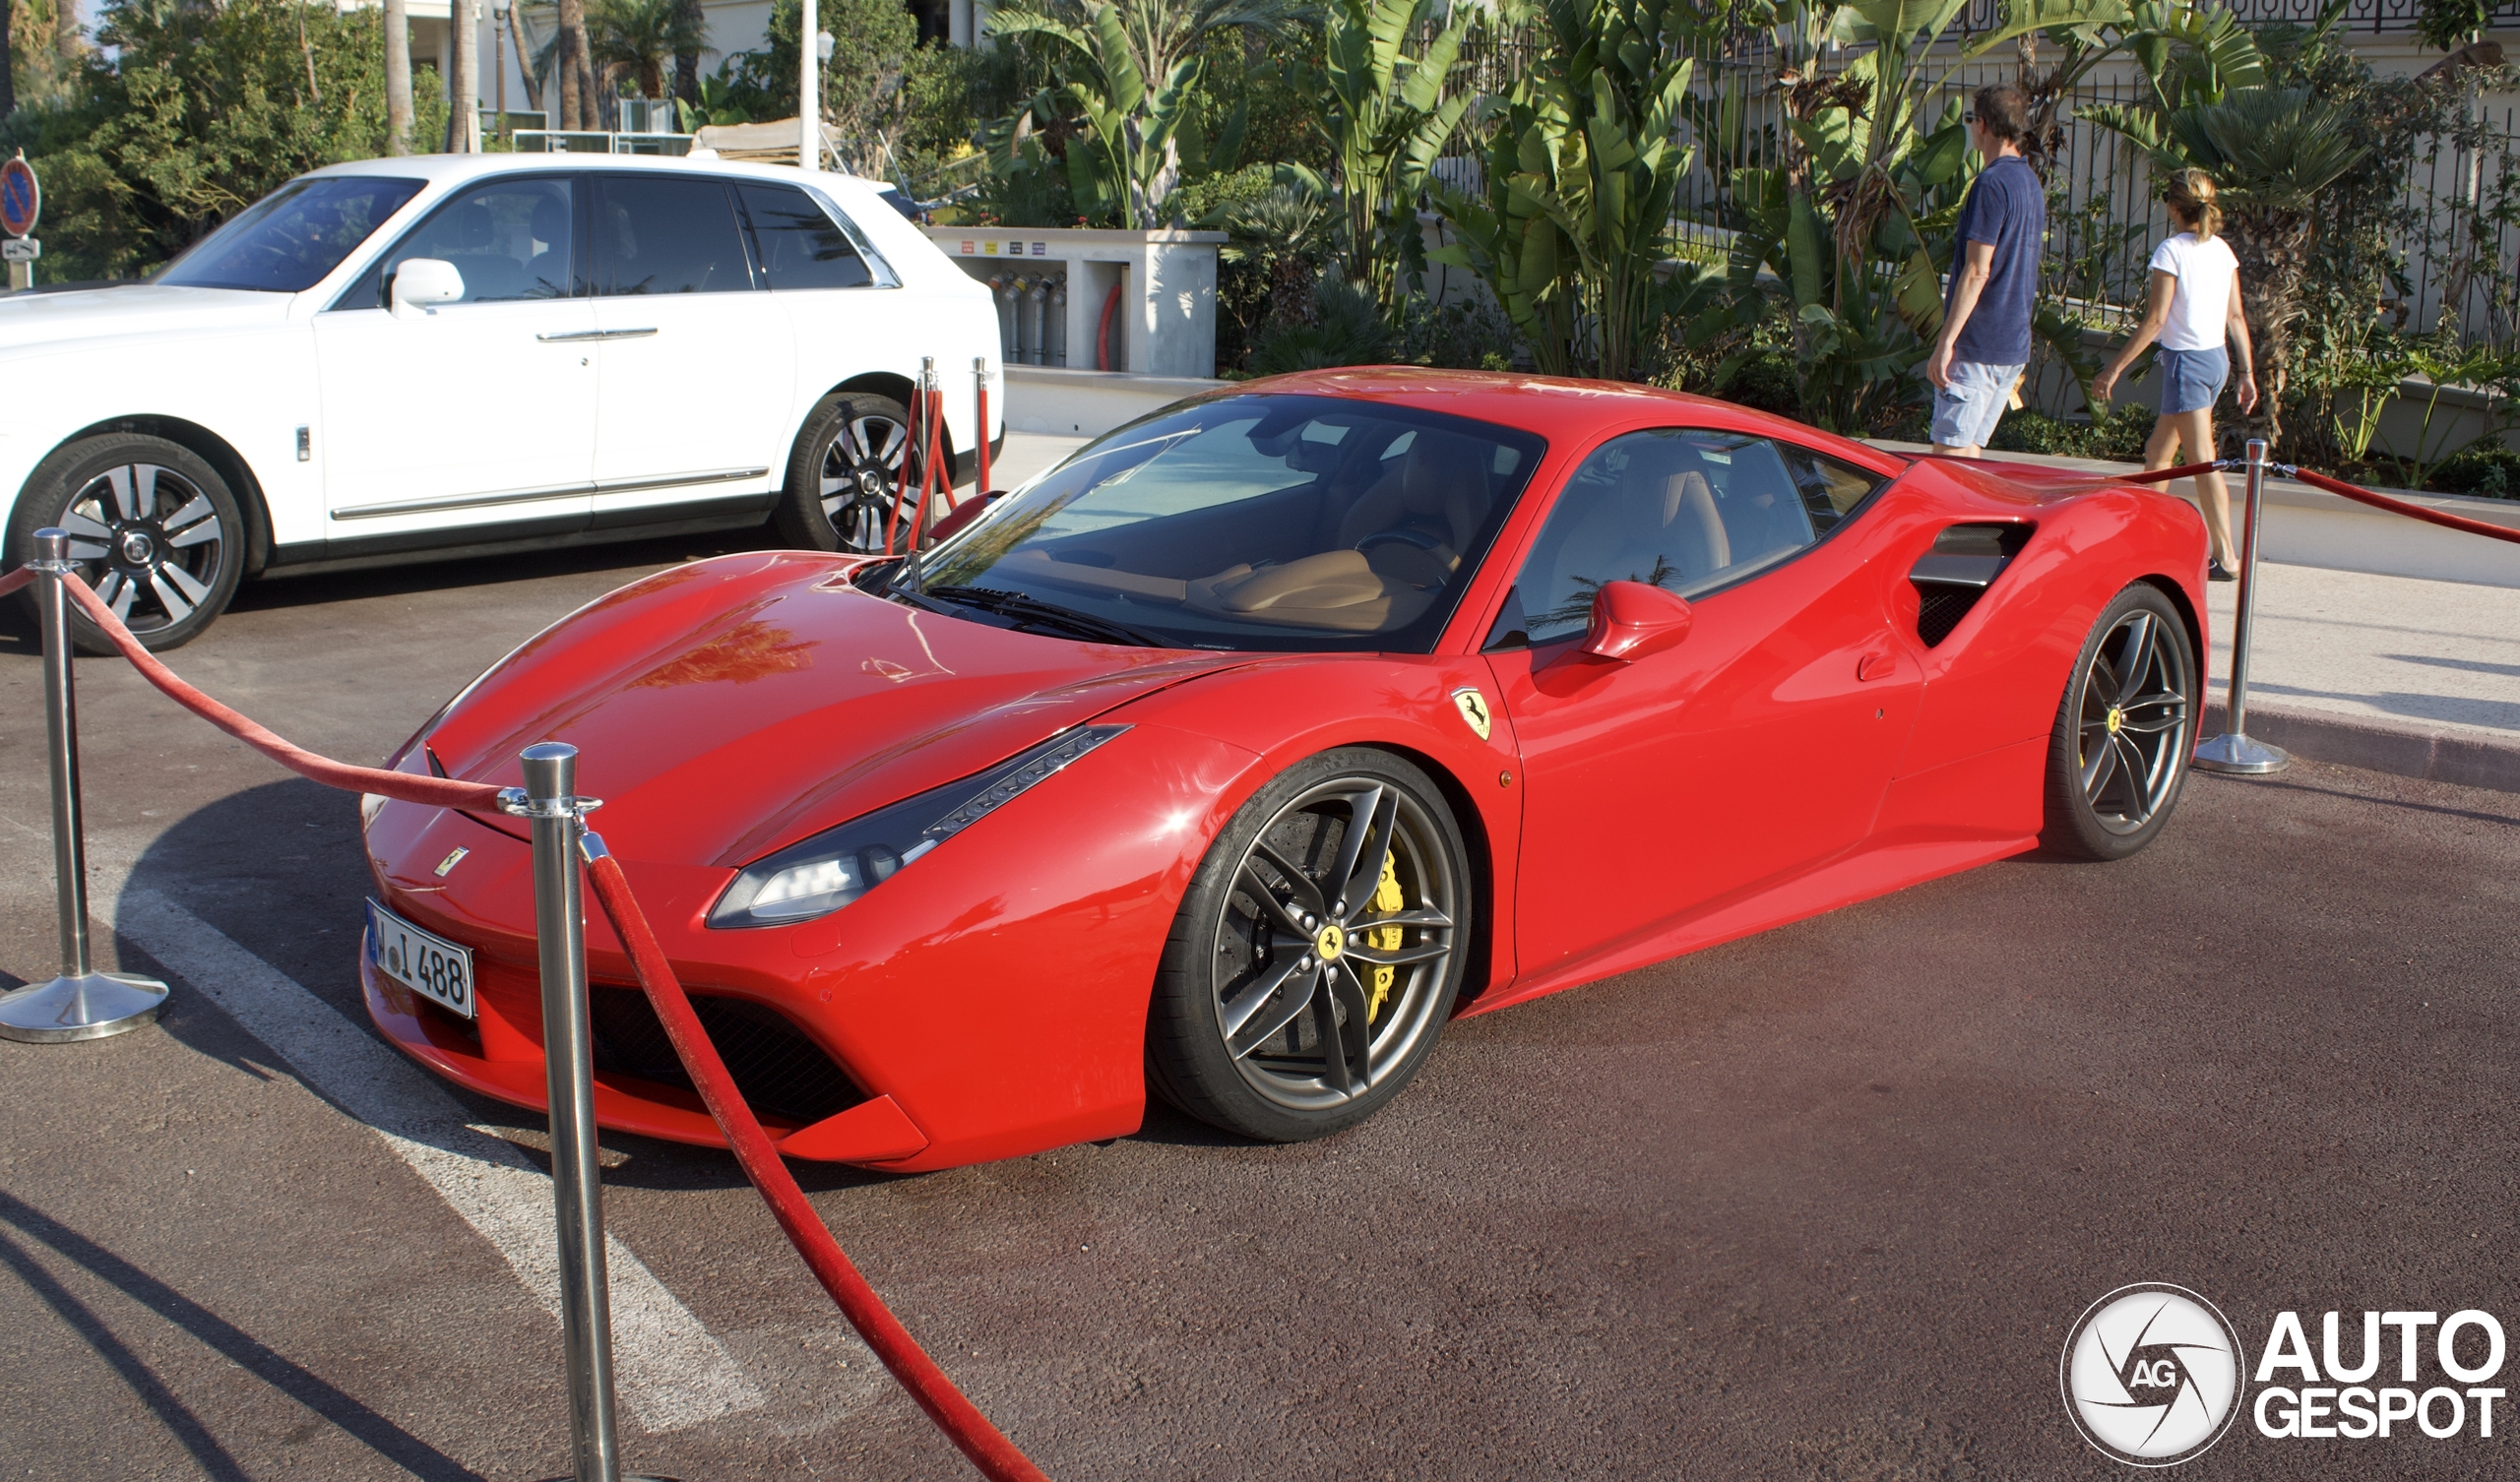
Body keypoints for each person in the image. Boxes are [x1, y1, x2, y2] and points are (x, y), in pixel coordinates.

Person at [2091, 169, 2259, 581]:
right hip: (2215, 360)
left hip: (2187, 365)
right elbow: (2235, 316)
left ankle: (2228, 556)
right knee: (2158, 453)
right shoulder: (2221, 250)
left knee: (2201, 461)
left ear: (2172, 206)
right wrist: (2247, 373)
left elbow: (2154, 321)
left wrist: (2112, 369)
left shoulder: (2171, 251)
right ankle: (2141, 542)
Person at [1925, 85, 2046, 458]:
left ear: (1983, 125)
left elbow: (1977, 271)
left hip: (1978, 345)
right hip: (2010, 346)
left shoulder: (1991, 184)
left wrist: (1946, 343)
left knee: (1947, 463)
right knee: (1969, 455)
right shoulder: (2030, 182)